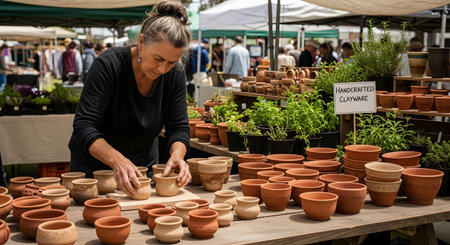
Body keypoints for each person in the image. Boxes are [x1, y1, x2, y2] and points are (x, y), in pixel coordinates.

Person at [69, 0, 192, 197]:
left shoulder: (175, 73)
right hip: (95, 174)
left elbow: (178, 128)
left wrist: (177, 155)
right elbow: (84, 126)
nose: (162, 69)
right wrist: (118, 161)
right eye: (158, 59)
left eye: (171, 62)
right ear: (141, 42)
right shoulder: (108, 65)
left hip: (142, 172)